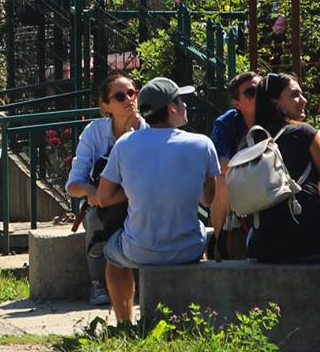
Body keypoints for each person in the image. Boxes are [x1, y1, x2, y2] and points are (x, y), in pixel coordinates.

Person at [93, 78, 227, 326]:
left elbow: (102, 197)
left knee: (112, 256)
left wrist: (133, 189)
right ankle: (198, 316)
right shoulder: (202, 143)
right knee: (199, 236)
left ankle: (124, 323)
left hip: (139, 249)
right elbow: (208, 199)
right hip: (187, 248)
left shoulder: (124, 144)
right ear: (172, 108)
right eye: (181, 100)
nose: (185, 105)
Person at [245, 73, 320, 264]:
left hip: (266, 249)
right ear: (275, 102)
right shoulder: (305, 133)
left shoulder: (250, 142)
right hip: (318, 245)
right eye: (295, 95)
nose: (304, 100)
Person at [65, 69, 140, 305]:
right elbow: (73, 183)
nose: (129, 100)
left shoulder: (147, 130)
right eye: (120, 97)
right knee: (95, 215)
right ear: (106, 106)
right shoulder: (94, 132)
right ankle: (99, 284)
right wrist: (91, 191)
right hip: (102, 201)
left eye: (132, 93)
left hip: (137, 198)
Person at [209, 70, 261, 259]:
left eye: (262, 89)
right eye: (251, 92)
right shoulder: (227, 122)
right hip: (243, 185)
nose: (259, 95)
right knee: (220, 182)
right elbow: (220, 163)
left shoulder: (280, 116)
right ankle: (221, 246)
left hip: (278, 182)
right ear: (237, 103)